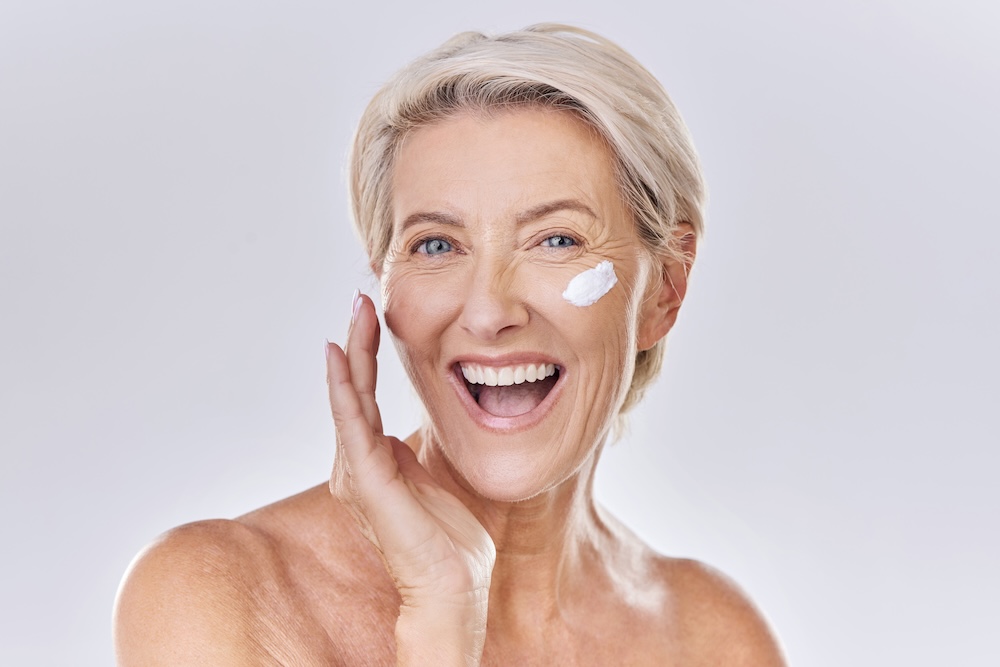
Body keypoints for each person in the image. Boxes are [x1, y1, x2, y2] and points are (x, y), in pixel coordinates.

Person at [113, 24, 786, 666]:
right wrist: (440, 610)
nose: (489, 312)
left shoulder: (712, 638)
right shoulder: (220, 595)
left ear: (665, 288)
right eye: (436, 245)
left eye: (557, 240)